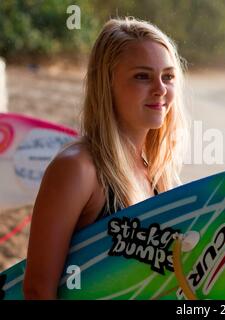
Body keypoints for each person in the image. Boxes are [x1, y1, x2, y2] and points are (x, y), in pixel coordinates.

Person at [23, 17, 189, 299]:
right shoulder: (78, 169)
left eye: (168, 76)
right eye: (142, 76)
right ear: (107, 83)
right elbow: (38, 290)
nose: (161, 89)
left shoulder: (159, 174)